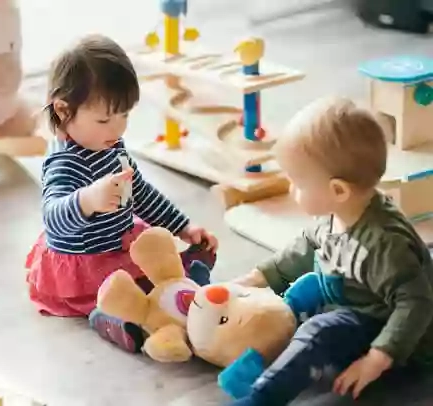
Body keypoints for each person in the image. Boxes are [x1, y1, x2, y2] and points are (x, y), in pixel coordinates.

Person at [229, 97, 433, 405]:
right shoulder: (336, 215)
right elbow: (302, 249)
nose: (290, 190)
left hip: (394, 338)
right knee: (301, 295)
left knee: (318, 330)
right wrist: (254, 279)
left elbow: (415, 305)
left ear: (338, 190)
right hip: (352, 299)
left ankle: (262, 397)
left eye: (297, 183)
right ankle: (254, 358)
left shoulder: (383, 244)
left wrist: (377, 359)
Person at [25, 34, 218, 353]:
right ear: (62, 111)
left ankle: (182, 275)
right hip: (85, 262)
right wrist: (88, 200)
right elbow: (53, 218)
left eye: (125, 116)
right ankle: (113, 321)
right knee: (118, 291)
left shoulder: (111, 144)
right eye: (104, 119)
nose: (117, 130)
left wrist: (182, 227)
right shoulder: (64, 163)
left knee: (152, 255)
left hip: (119, 241)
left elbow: (139, 192)